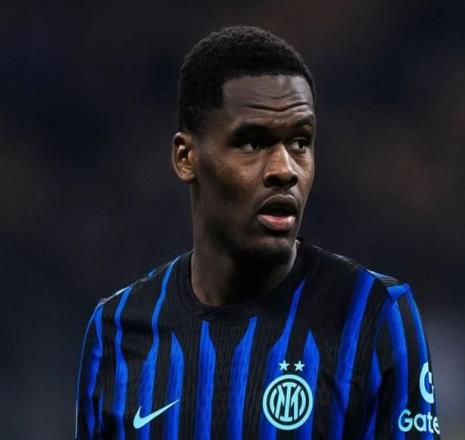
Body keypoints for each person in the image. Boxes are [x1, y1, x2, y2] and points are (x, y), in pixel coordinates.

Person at [75, 26, 440, 439]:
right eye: (251, 143)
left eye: (300, 142)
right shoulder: (117, 328)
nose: (285, 169)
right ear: (186, 157)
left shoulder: (371, 311)